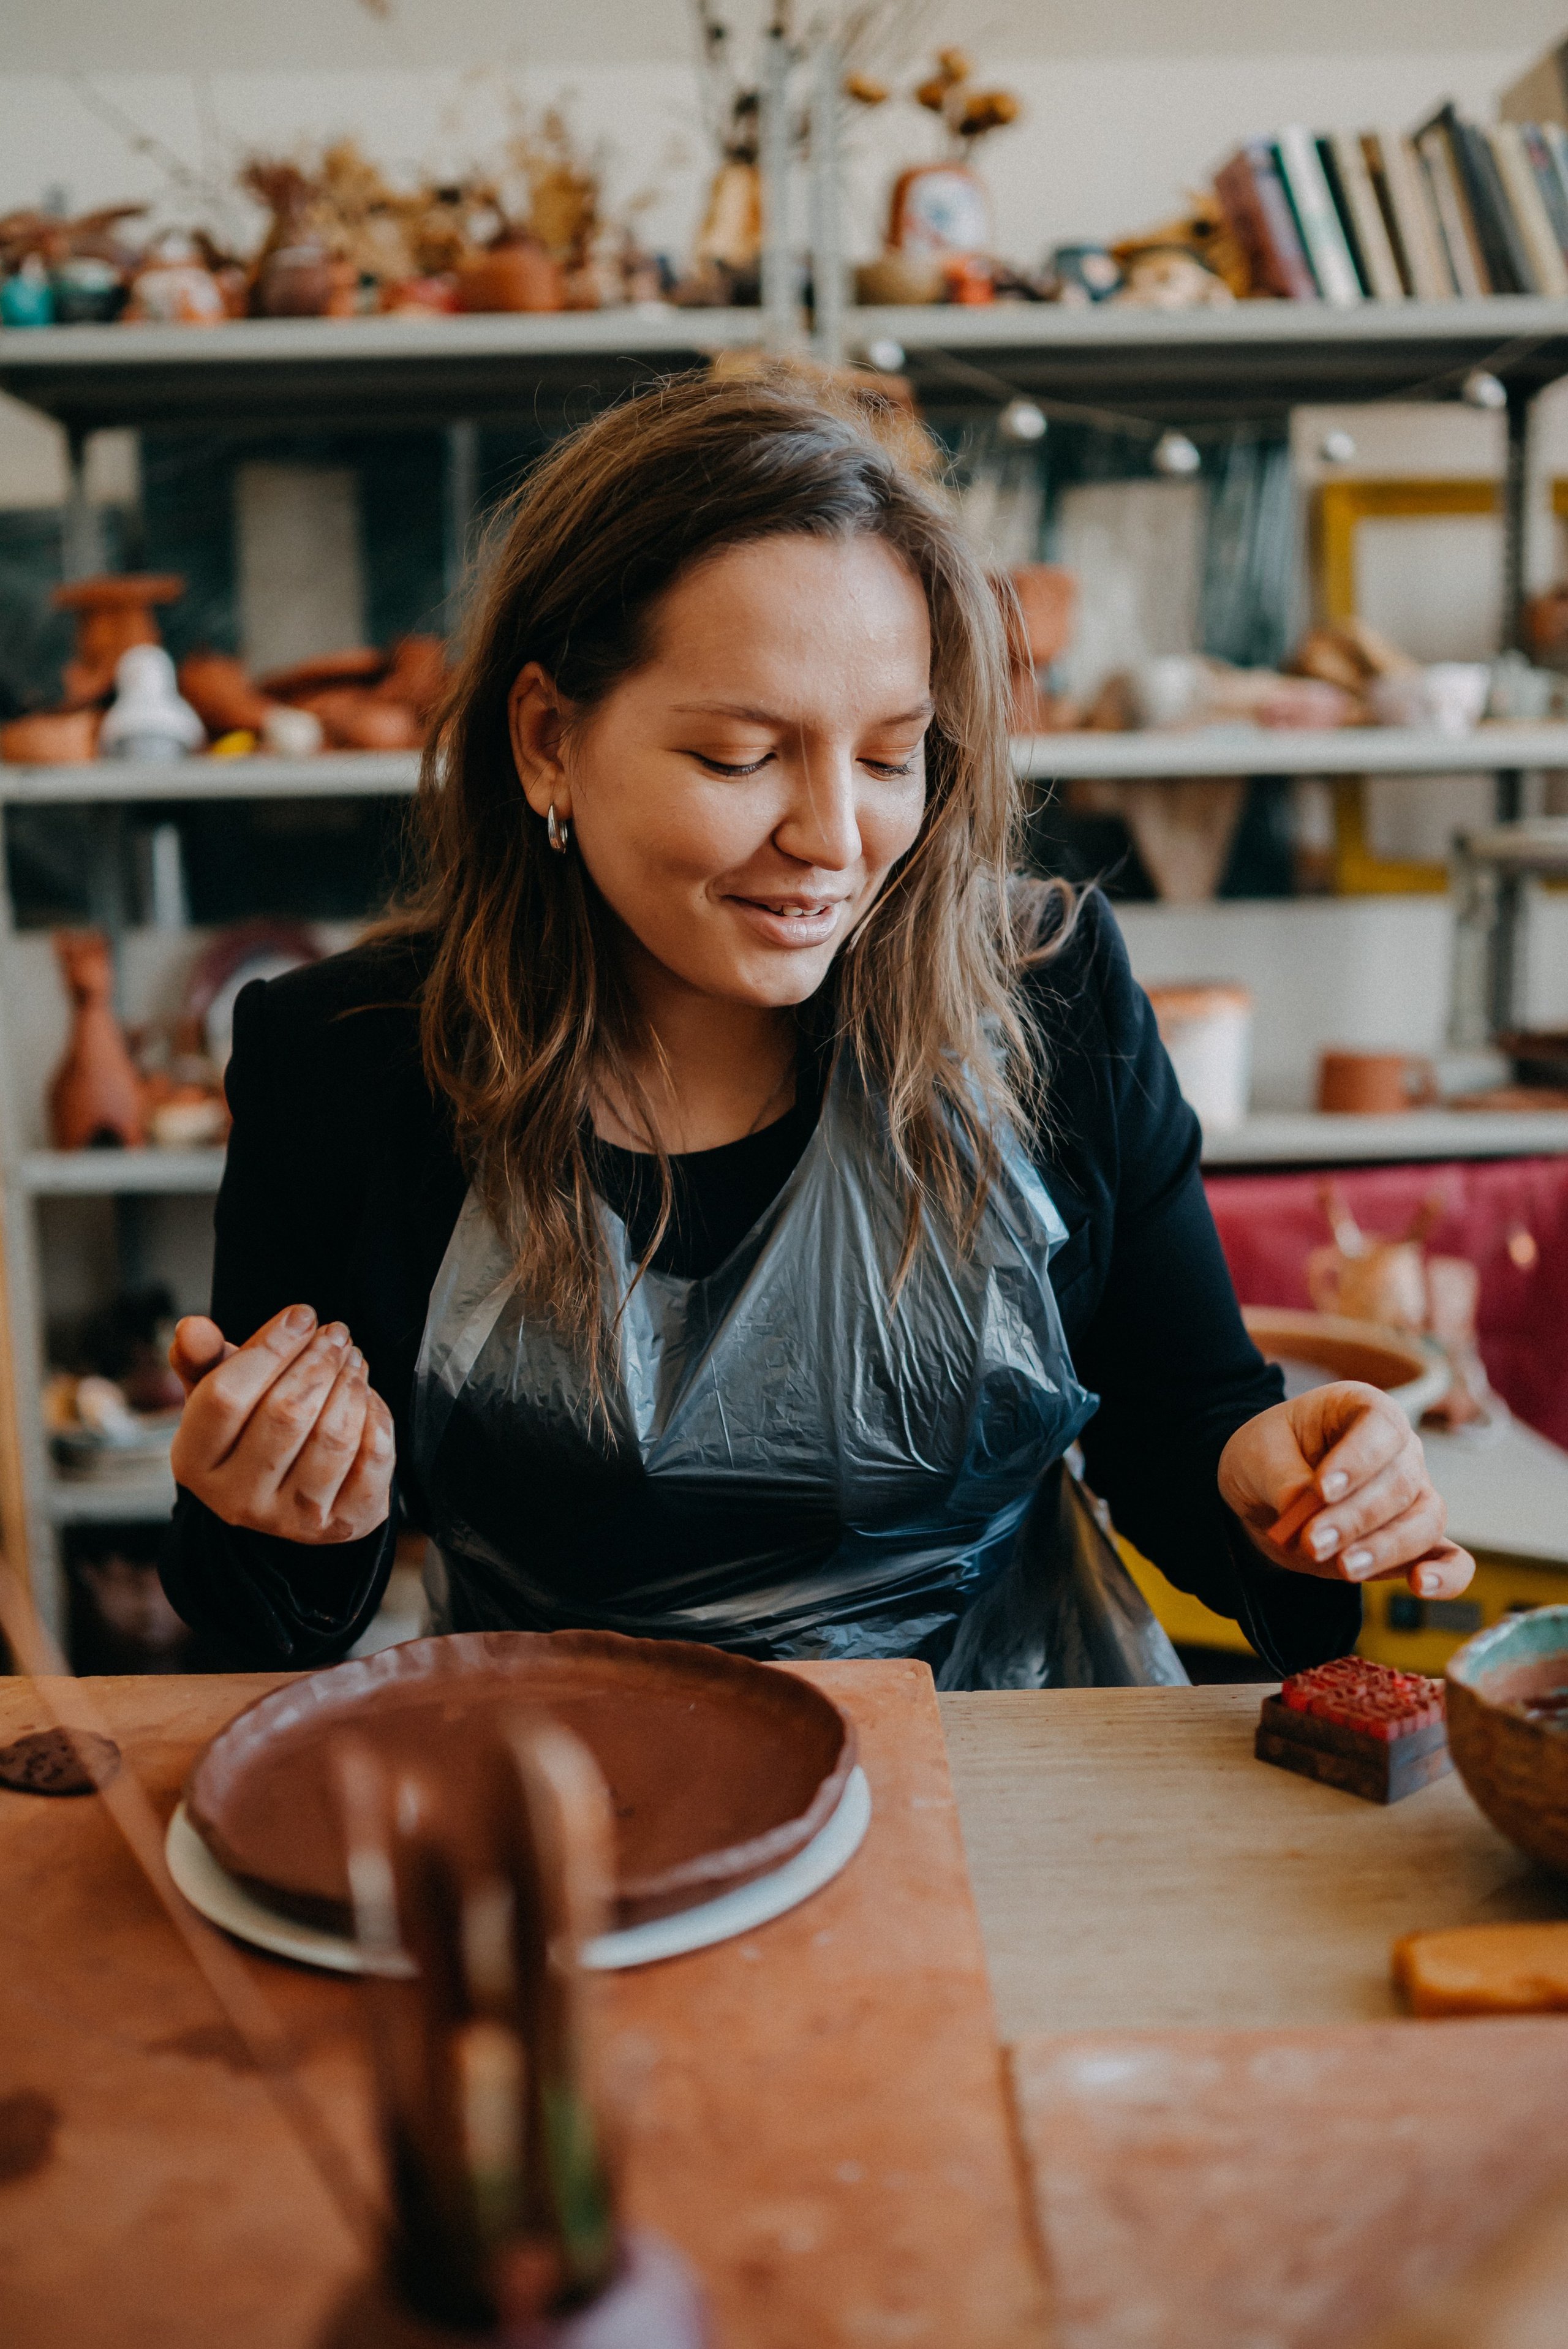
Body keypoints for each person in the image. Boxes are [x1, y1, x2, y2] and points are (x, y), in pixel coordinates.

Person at [160, 372, 1474, 1684]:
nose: (835, 841)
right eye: (740, 757)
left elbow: (1180, 1420)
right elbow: (268, 1610)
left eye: (891, 756)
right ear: (549, 738)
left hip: (1001, 1765)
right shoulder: (345, 1065)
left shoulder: (1047, 998)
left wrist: (1280, 1493)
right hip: (572, 1775)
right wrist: (287, 1515)